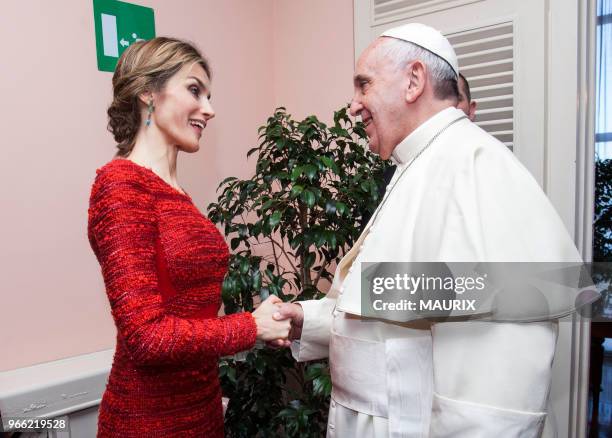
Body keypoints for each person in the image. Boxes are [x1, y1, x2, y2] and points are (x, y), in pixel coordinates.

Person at [271, 23, 581, 437]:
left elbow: (497, 377)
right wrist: (305, 320)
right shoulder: (417, 167)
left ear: (414, 80)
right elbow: (394, 308)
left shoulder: (472, 166)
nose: (354, 104)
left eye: (364, 85)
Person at [87, 37, 290, 438]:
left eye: (209, 95)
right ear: (148, 92)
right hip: (148, 420)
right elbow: (146, 337)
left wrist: (263, 320)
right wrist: (252, 326)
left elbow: (188, 312)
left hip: (201, 410)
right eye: (194, 90)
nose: (209, 110)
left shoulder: (175, 192)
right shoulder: (121, 185)